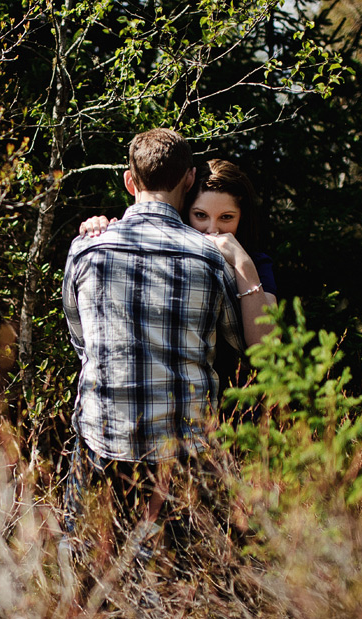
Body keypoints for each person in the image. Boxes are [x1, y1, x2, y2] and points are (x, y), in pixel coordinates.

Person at [61, 130, 245, 562]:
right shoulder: (210, 256)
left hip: (102, 441)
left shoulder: (86, 249)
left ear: (130, 181)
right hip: (183, 453)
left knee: (85, 571)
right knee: (171, 578)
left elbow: (82, 343)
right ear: (189, 179)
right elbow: (236, 342)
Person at [80, 158, 276, 348]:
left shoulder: (256, 264)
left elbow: (268, 346)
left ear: (242, 216)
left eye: (226, 217)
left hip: (237, 380)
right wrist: (102, 230)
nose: (212, 229)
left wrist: (242, 263)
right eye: (200, 215)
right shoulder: (165, 252)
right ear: (185, 210)